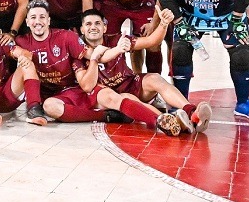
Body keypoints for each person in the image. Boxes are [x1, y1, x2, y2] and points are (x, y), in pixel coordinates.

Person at [77, 8, 213, 134]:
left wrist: (163, 24)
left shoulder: (117, 39)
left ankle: (192, 113)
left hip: (129, 83)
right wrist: (108, 54)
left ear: (105, 27)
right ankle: (171, 122)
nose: (93, 27)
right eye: (88, 24)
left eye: (97, 23)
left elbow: (151, 41)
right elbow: (87, 86)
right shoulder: (77, 51)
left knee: (155, 78)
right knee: (128, 99)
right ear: (82, 29)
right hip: (111, 96)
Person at [14, 0, 121, 126]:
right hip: (46, 98)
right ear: (27, 22)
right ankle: (104, 116)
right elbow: (1, 46)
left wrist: (117, 50)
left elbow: (95, 55)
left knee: (118, 99)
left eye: (42, 17)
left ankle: (130, 115)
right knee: (50, 105)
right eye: (33, 17)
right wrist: (10, 36)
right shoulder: (20, 41)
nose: (38, 21)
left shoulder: (66, 36)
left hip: (70, 91)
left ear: (48, 20)